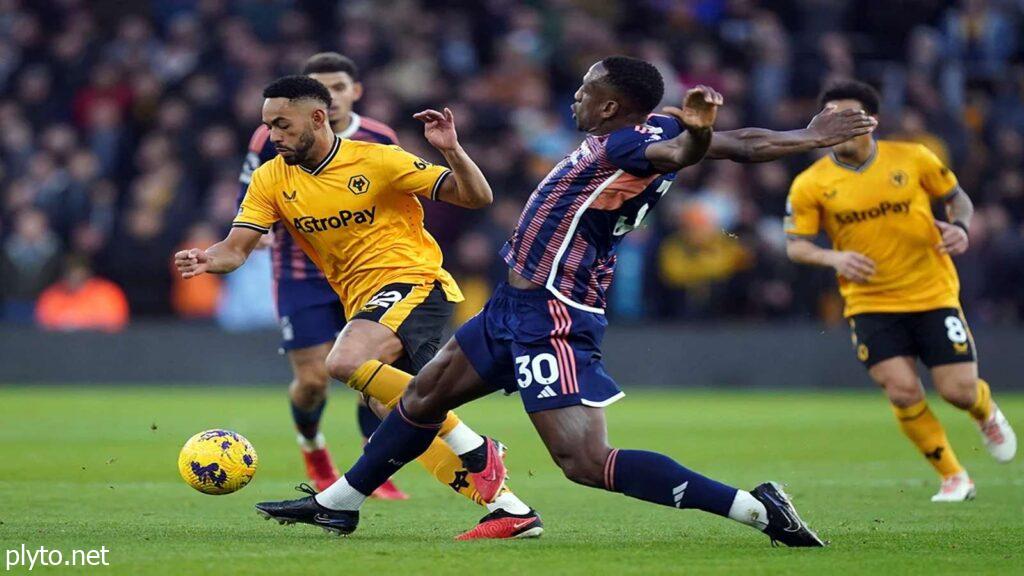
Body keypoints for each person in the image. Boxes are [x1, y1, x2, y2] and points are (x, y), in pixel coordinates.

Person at [254, 55, 879, 545]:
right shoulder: (643, 130)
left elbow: (685, 152)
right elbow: (731, 141)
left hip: (553, 313)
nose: (574, 95)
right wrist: (748, 133)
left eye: (585, 89)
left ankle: (756, 509)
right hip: (512, 304)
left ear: (609, 105)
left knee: (583, 460)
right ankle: (338, 507)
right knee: (422, 397)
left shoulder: (631, 143)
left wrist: (784, 136)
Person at [177, 75, 544, 539]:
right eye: (268, 126)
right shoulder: (272, 176)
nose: (274, 136)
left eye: (283, 125)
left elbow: (477, 197)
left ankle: (476, 449)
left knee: (345, 361)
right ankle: (510, 511)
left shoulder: (378, 160)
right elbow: (236, 248)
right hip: (364, 301)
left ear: (317, 117)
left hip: (415, 283)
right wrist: (207, 258)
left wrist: (451, 149)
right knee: (405, 414)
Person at [784, 80, 1016, 502]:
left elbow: (957, 199)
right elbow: (796, 245)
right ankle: (953, 476)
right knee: (902, 389)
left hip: (932, 292)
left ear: (871, 120)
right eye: (831, 116)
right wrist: (832, 259)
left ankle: (984, 410)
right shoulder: (811, 183)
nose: (840, 123)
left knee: (958, 391)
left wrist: (961, 228)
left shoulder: (913, 157)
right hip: (868, 301)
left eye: (848, 115)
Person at [237, 52, 406, 499]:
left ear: (356, 92)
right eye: (319, 89)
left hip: (367, 272)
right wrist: (255, 234)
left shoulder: (379, 138)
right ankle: (313, 448)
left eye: (337, 89)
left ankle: (374, 464)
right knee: (313, 380)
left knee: (371, 371)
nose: (329, 99)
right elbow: (249, 198)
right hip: (301, 273)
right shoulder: (270, 137)